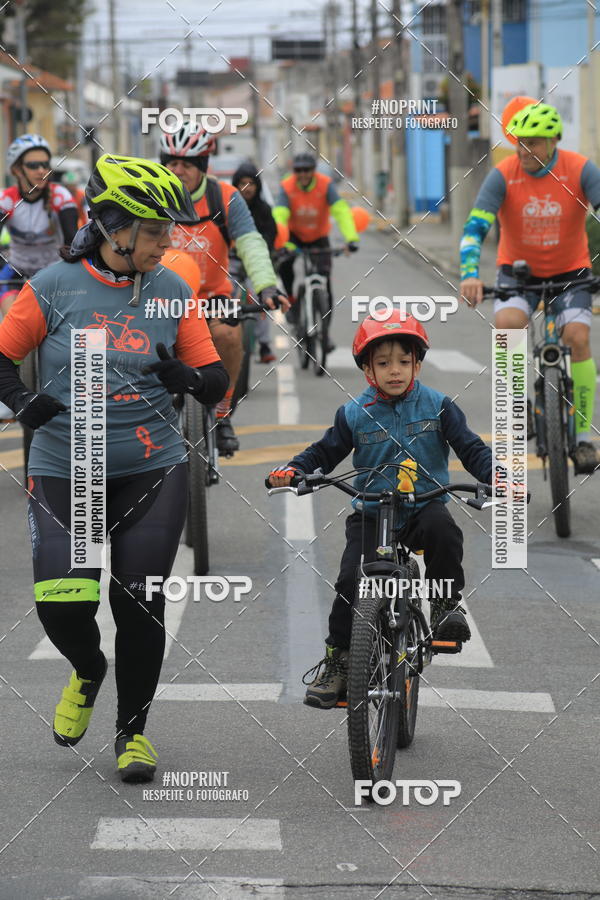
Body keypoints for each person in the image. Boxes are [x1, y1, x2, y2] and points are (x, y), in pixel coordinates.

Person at [0, 154, 228, 782]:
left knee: (139, 601)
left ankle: (132, 736)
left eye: (168, 231)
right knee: (63, 602)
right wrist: (22, 400)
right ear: (112, 227)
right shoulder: (53, 286)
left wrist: (190, 378)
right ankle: (88, 668)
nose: (165, 242)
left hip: (151, 469)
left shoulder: (172, 290)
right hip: (66, 466)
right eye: (154, 231)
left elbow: (214, 380)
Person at [267, 313, 493, 709]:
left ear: (417, 365)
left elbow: (472, 449)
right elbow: (323, 453)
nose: (395, 371)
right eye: (383, 363)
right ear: (367, 370)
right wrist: (294, 470)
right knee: (349, 580)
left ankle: (445, 605)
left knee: (444, 531)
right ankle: (338, 660)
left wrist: (500, 477)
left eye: (404, 362)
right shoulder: (354, 413)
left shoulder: (439, 406)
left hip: (424, 505)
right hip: (372, 513)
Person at [460, 101, 600, 474]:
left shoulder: (581, 169)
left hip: (571, 272)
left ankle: (582, 437)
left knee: (577, 336)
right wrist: (470, 273)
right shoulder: (503, 175)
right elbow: (475, 227)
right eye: (519, 142)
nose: (523, 150)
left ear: (553, 141)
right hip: (517, 274)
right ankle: (518, 405)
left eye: (533, 142)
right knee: (508, 325)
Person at [159, 123, 287, 456]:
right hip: (159, 298)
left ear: (203, 166)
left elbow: (250, 243)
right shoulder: (152, 195)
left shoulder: (226, 198)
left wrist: (267, 285)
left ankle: (221, 412)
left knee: (230, 335)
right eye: (171, 162)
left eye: (187, 164)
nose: (178, 170)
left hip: (212, 297)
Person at [0, 134, 79, 421]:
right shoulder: (7, 199)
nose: (41, 170)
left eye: (46, 164)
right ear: (17, 170)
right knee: (12, 321)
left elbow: (72, 241)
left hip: (53, 273)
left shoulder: (60, 197)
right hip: (16, 272)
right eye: (33, 165)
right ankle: (11, 390)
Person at [273, 151, 359, 346]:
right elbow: (280, 214)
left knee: (325, 286)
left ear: (313, 170)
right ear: (294, 171)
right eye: (298, 170)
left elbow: (341, 211)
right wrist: (281, 241)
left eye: (307, 170)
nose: (303, 174)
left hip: (319, 237)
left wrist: (351, 238)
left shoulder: (325, 185)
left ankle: (325, 333)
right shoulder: (287, 186)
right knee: (285, 266)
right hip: (294, 237)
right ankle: (292, 301)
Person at [232, 161, 277, 363]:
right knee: (223, 295)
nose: (247, 188)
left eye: (251, 183)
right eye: (242, 183)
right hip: (231, 262)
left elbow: (270, 235)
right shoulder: (226, 207)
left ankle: (264, 345)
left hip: (254, 264)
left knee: (261, 298)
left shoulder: (264, 209)